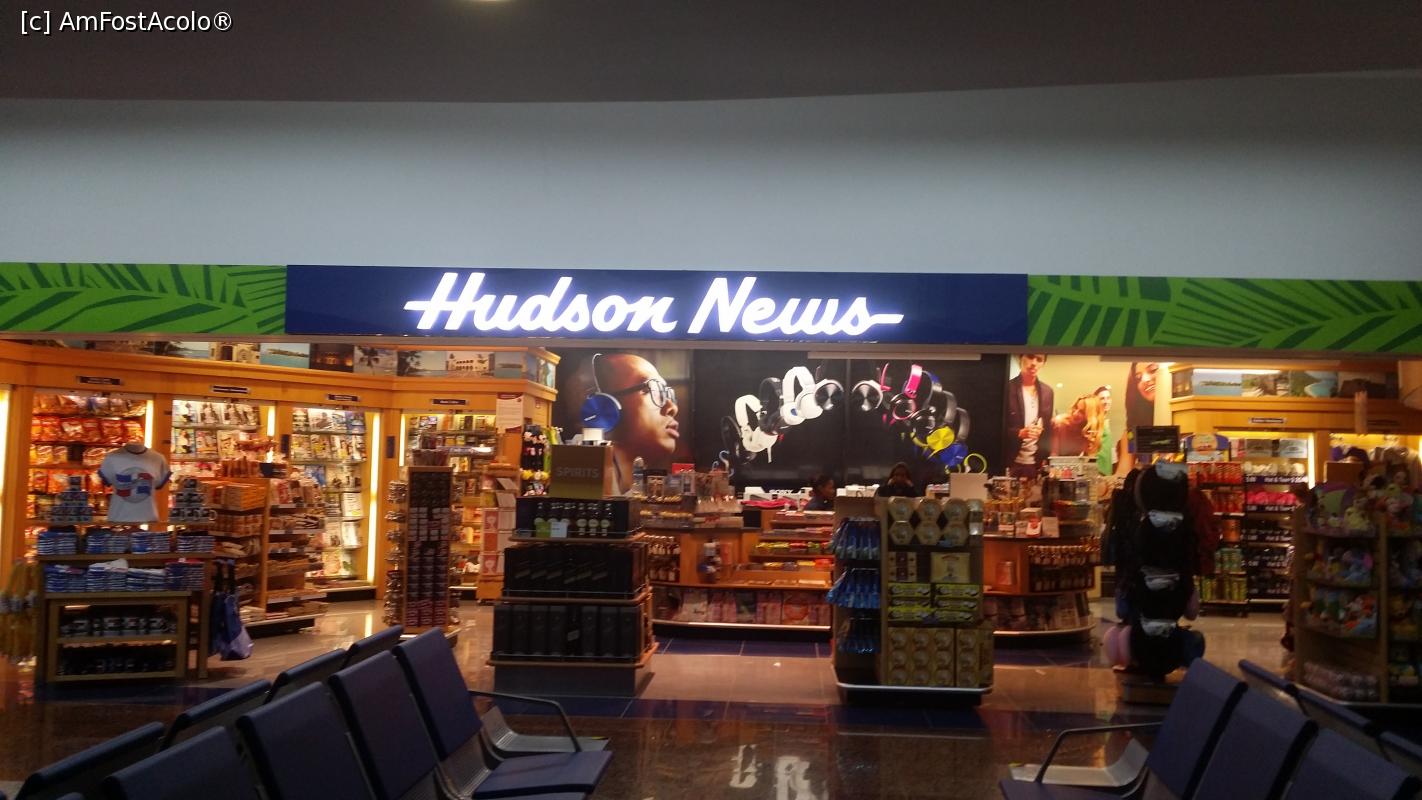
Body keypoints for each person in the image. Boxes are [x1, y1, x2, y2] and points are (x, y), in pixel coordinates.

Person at [572, 353, 680, 495]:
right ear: (603, 406)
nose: (672, 408)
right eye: (653, 389)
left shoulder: (636, 490)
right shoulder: (581, 473)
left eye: (667, 393)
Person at [1004, 354, 1054, 478]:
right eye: (1030, 357)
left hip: (1036, 463)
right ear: (1021, 358)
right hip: (1009, 461)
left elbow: (1047, 430)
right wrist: (1019, 433)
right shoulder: (1007, 388)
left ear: (1043, 363)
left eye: (1039, 359)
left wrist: (1046, 459)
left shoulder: (1047, 392)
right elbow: (993, 427)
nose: (1034, 363)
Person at [1115, 362, 1159, 477]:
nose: (1145, 379)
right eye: (1138, 378)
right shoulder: (1132, 433)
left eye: (1153, 370)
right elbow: (1123, 475)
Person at [1052, 392, 1107, 459]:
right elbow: (1053, 459)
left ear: (1090, 416)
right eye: (1076, 408)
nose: (1075, 413)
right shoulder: (1060, 423)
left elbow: (1088, 460)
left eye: (1082, 412)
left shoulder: (1090, 432)